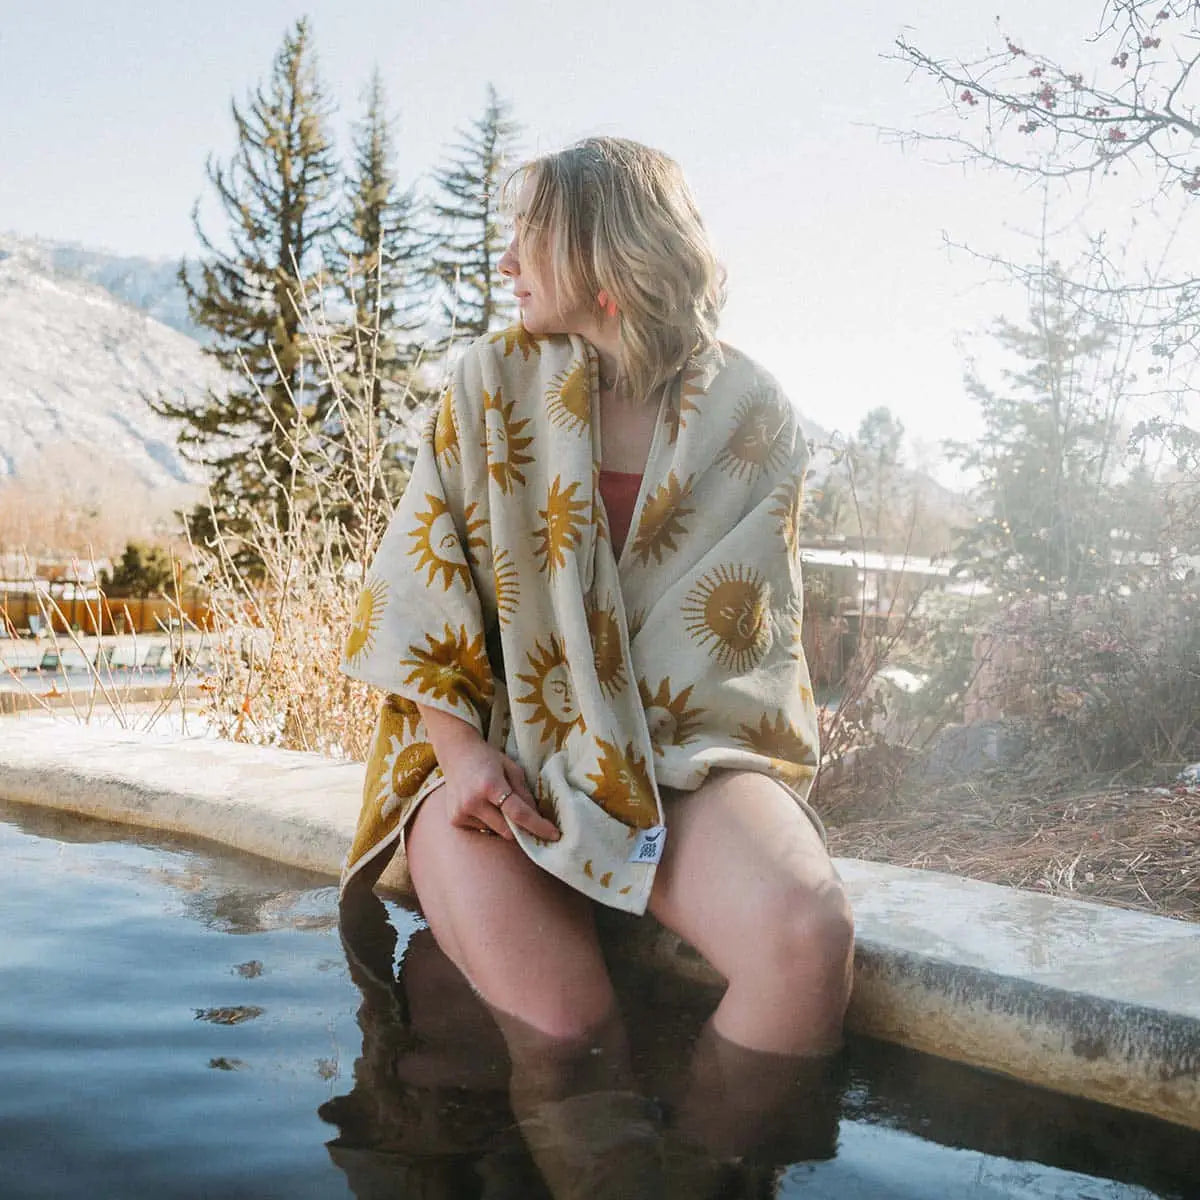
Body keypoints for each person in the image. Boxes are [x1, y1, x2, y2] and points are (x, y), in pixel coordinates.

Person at [339, 135, 853, 1189]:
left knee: (807, 939)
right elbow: (417, 592)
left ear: (601, 254)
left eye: (528, 238)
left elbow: (741, 641)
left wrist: (615, 769)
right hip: (493, 762)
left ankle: (703, 1172)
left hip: (677, 749)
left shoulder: (751, 415)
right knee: (569, 1035)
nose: (505, 262)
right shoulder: (488, 385)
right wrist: (464, 758)